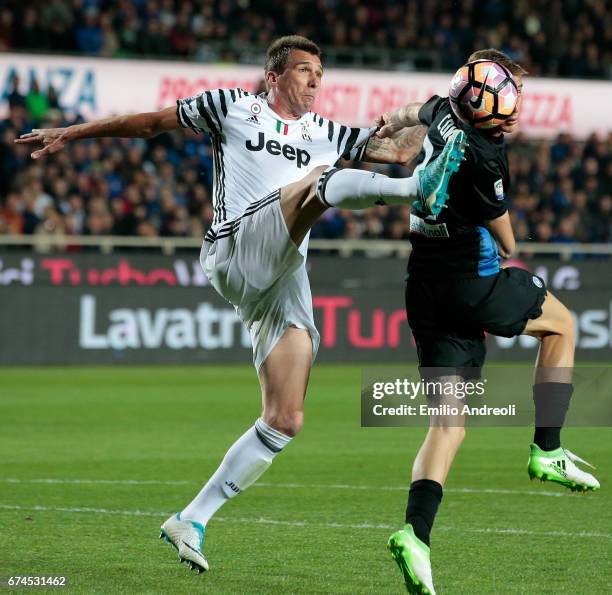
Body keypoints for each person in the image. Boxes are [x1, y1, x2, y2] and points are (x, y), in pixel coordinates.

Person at [16, 35, 467, 574]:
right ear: (273, 77)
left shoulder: (329, 133)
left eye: (319, 72)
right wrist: (72, 131)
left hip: (280, 274)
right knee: (320, 184)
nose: (315, 80)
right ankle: (416, 193)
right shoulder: (231, 106)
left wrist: (449, 107)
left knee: (285, 418)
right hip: (233, 247)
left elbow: (396, 149)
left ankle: (191, 519)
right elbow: (151, 123)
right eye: (304, 70)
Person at [375, 48, 600, 594]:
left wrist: (390, 123)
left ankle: (415, 535)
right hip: (471, 285)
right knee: (563, 326)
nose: (515, 111)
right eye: (509, 103)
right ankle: (547, 450)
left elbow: (413, 110)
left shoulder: (445, 110)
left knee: (447, 426)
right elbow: (507, 239)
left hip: (423, 290)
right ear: (490, 110)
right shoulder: (487, 155)